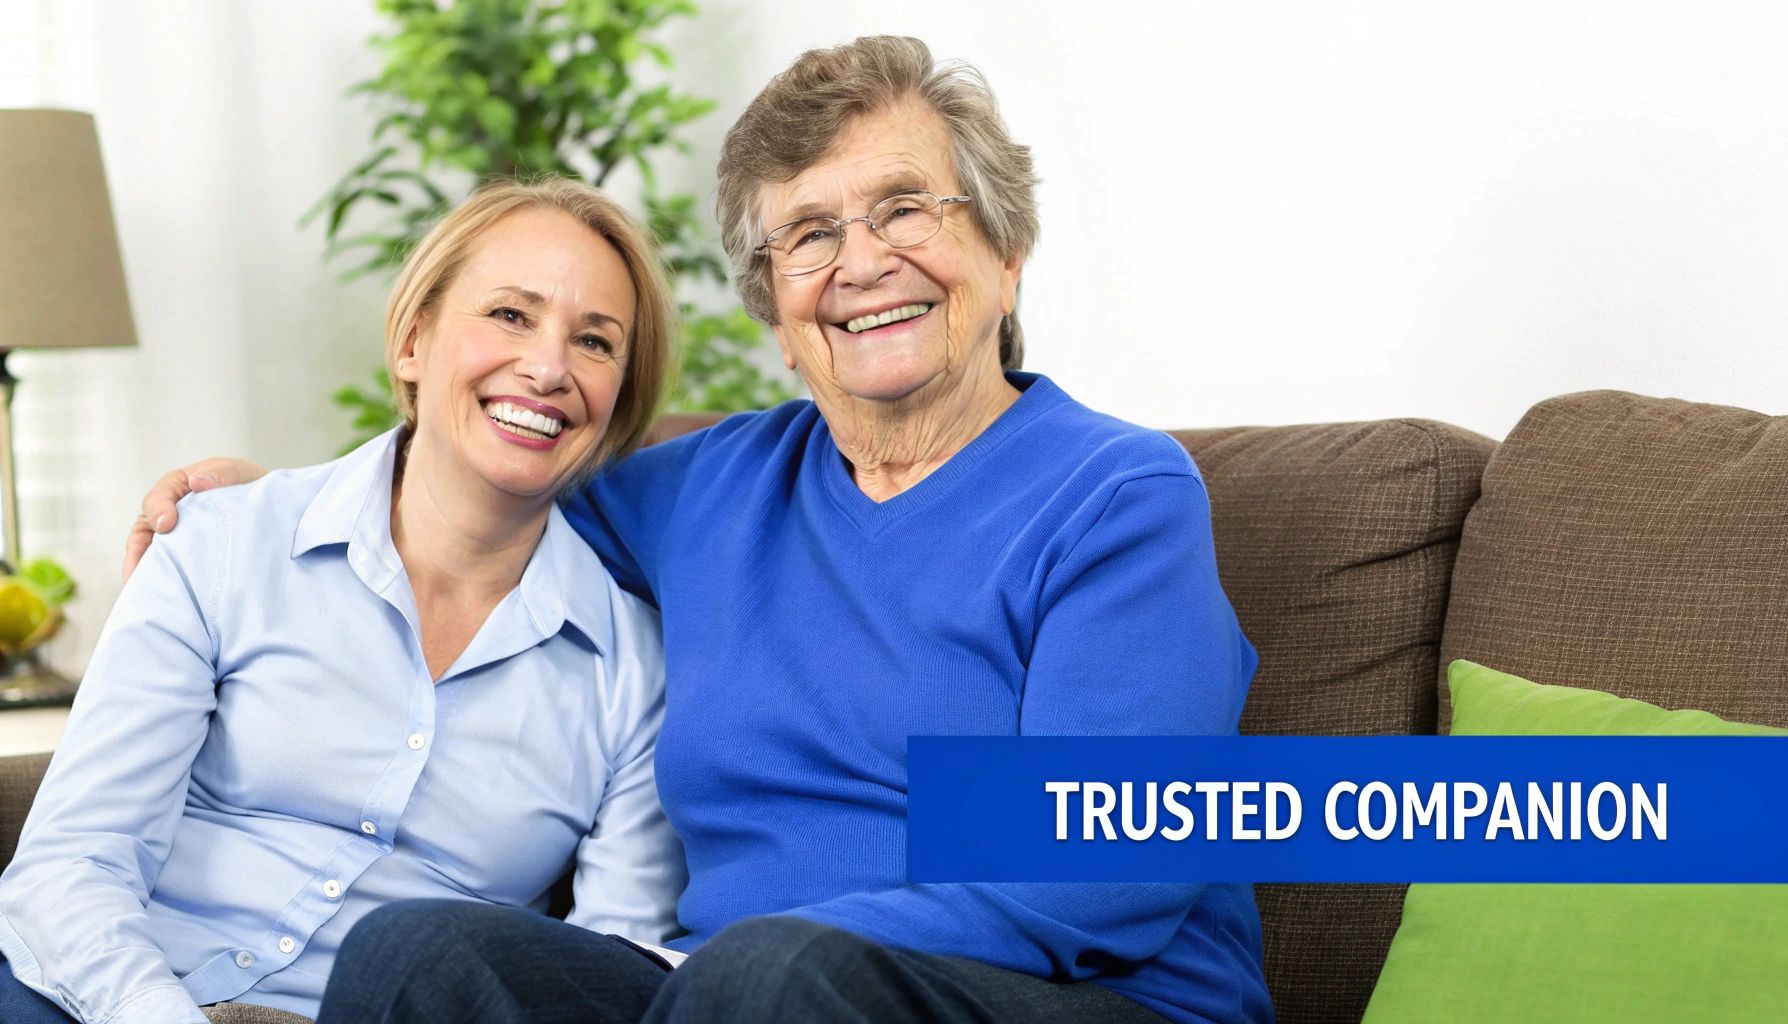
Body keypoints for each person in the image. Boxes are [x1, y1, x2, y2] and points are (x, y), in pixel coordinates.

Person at [128, 36, 1274, 1024]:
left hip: (1086, 997)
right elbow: (477, 486)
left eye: (906, 208)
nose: (861, 262)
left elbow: (1103, 865)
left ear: (1004, 252)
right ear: (774, 310)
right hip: (731, 994)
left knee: (776, 971)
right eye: (807, 236)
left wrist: (736, 967)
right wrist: (280, 502)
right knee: (417, 948)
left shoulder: (1112, 493)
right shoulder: (714, 487)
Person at [4, 178, 684, 1023]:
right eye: (510, 314)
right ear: (413, 341)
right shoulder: (223, 544)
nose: (548, 367)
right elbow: (75, 860)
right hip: (105, 994)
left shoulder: (632, 671)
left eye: (594, 341)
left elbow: (596, 974)